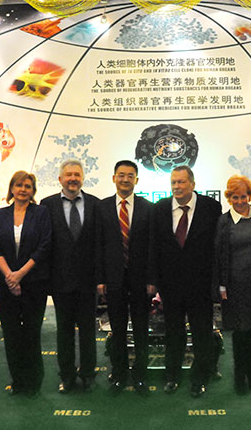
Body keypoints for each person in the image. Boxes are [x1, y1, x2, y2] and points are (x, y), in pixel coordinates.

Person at [150, 165, 222, 398]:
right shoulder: (160, 208)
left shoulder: (211, 208)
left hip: (201, 286)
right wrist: (155, 281)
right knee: (173, 333)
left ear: (192, 184)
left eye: (181, 182)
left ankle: (200, 378)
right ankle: (172, 376)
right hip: (170, 286)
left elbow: (216, 249)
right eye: (173, 182)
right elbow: (155, 248)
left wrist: (217, 282)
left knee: (202, 334)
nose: (177, 187)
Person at [40, 159, 101, 393]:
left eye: (77, 174)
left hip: (88, 281)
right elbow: (45, 245)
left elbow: (100, 244)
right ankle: (66, 375)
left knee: (88, 331)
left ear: (82, 178)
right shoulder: (47, 205)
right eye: (68, 175)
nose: (73, 178)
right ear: (60, 179)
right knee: (64, 331)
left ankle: (88, 375)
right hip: (60, 281)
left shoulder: (96, 204)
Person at [0, 171, 51, 398]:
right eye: (19, 185)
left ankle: (34, 382)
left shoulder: (41, 212)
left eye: (27, 186)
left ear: (33, 190)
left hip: (34, 283)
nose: (23, 189)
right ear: (12, 188)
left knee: (31, 334)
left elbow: (44, 246)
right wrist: (10, 276)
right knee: (12, 334)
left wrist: (20, 274)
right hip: (6, 284)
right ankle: (18, 381)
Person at [97, 160, 154, 395]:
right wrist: (100, 279)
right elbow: (98, 246)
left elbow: (153, 248)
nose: (125, 179)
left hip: (141, 280)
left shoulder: (148, 208)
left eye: (130, 175)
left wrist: (152, 279)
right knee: (117, 330)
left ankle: (141, 376)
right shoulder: (101, 208)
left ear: (136, 180)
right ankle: (119, 374)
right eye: (121, 175)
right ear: (114, 178)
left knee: (141, 330)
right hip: (113, 279)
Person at [214, 175, 251, 395]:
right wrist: (221, 286)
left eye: (243, 196)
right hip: (235, 286)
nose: (239, 201)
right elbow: (219, 256)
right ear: (229, 198)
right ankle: (240, 376)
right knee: (239, 334)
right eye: (235, 197)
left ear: (250, 195)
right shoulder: (224, 221)